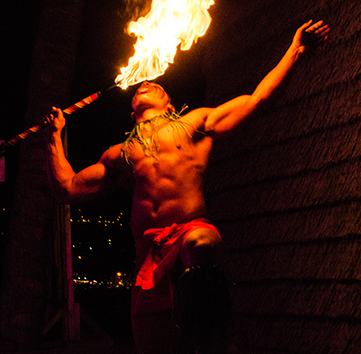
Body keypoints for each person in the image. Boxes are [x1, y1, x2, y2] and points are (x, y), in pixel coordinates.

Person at [47, 20, 330, 354]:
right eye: (141, 86)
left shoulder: (194, 124)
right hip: (148, 254)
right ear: (131, 110)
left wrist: (294, 51)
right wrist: (54, 136)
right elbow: (66, 188)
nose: (146, 82)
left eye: (155, 85)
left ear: (169, 104)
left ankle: (215, 340)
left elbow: (257, 101)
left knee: (199, 243)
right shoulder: (121, 153)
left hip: (190, 231)